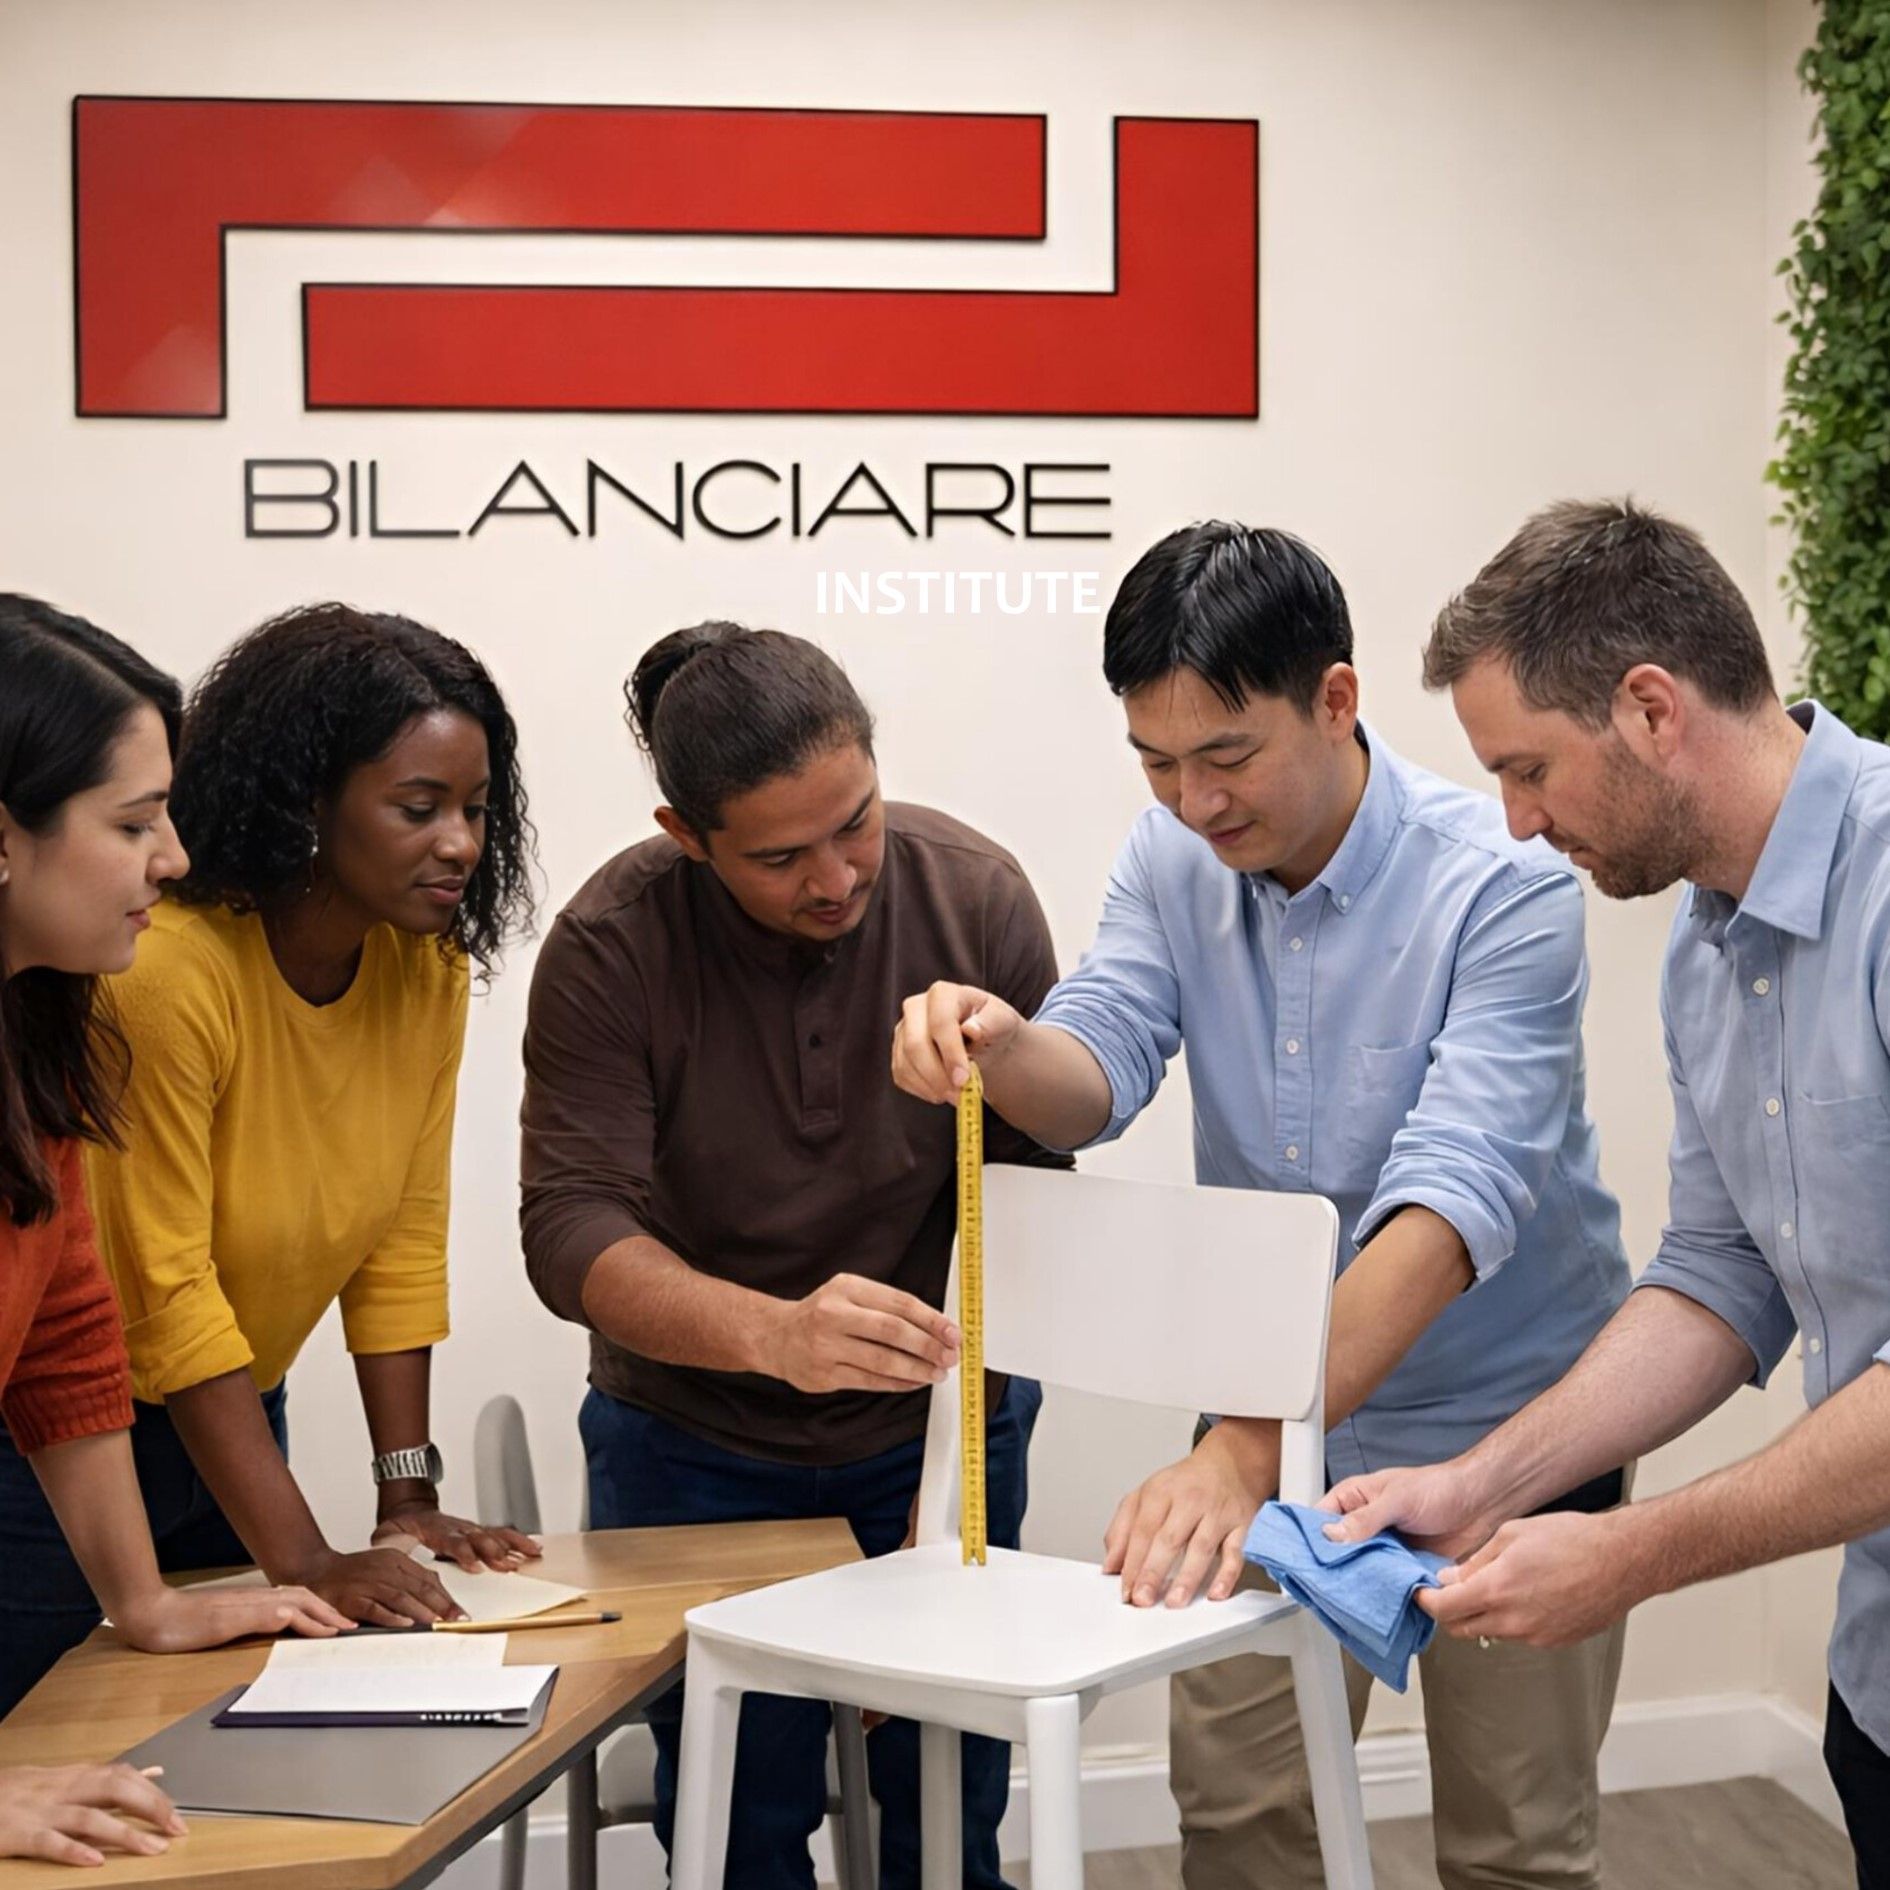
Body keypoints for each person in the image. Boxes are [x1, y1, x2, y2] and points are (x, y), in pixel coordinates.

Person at [893, 523, 1633, 1890]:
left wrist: (1243, 1440)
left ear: (1335, 699)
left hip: (1516, 1430)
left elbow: (1453, 1196)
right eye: (1155, 763)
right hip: (1270, 1412)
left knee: (1514, 1846)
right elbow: (1096, 1069)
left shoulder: (1506, 880)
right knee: (1241, 1821)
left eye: (1222, 756)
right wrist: (999, 1050)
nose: (1189, 800)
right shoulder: (1170, 858)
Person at [1322, 498, 1890, 1889]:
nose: (1514, 824)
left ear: (1647, 707)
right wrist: (1488, 1483)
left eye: (1527, 769)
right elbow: (1712, 1273)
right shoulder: (1707, 945)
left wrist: (1623, 1550)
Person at [521, 622, 1066, 1890]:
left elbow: (1044, 1197)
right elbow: (568, 1229)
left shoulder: (973, 893)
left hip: (940, 1441)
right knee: (736, 1826)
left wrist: (941, 1497)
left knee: (946, 1821)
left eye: (857, 821)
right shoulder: (612, 945)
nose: (836, 877)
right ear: (684, 835)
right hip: (690, 1448)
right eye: (779, 856)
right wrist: (772, 1335)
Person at [0, 602, 543, 1708]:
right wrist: (300, 1551)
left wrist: (405, 1494)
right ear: (307, 801)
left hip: (215, 1409)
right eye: (418, 807)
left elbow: (399, 1234)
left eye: (477, 810)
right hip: (70, 1455)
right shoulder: (156, 975)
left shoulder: (418, 967)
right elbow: (160, 1289)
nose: (462, 843)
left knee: (174, 1773)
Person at [0, 594, 348, 1857]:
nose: (175, 859)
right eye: (135, 823)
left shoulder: (39, 1035)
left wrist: (142, 1601)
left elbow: (67, 1342)